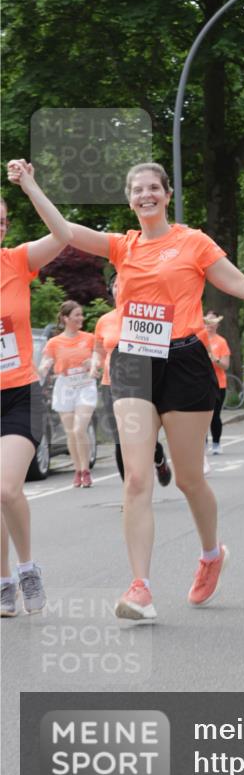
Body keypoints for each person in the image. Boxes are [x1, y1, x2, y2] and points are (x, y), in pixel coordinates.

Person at [8, 159, 244, 622]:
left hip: (185, 362)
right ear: (129, 200)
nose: (146, 195)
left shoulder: (193, 241)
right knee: (138, 478)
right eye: (137, 190)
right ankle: (140, 587)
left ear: (166, 195)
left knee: (188, 479)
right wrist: (30, 185)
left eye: (153, 188)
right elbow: (63, 230)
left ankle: (209, 554)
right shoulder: (122, 246)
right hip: (133, 363)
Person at [2, 161, 72, 617]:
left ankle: (27, 569)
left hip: (19, 393)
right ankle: (3, 580)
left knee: (6, 489)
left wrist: (29, 185)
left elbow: (63, 234)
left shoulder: (16, 260)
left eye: (2, 221)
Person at [91, 274, 172, 486]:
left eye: (124, 283)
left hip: (141, 384)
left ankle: (159, 458)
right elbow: (98, 350)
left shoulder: (145, 317)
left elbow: (160, 349)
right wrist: (94, 365)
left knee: (144, 436)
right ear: (111, 290)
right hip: (110, 384)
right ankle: (130, 493)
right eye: (116, 285)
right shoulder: (104, 321)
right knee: (120, 440)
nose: (120, 288)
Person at [39, 300, 97, 487]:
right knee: (71, 432)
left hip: (85, 385)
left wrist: (93, 365)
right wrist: (40, 370)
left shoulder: (89, 338)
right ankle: (78, 470)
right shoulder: (54, 342)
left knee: (80, 428)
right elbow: (46, 363)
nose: (81, 318)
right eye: (77, 315)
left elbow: (98, 359)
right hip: (65, 387)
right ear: (66, 318)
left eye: (81, 314)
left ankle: (86, 470)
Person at [203, 310, 230, 454]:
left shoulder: (221, 342)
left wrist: (215, 359)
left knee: (215, 415)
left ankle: (216, 443)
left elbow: (226, 365)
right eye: (207, 322)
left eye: (213, 322)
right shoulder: (199, 339)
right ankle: (203, 444)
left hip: (218, 384)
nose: (210, 325)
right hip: (201, 384)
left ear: (217, 324)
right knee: (201, 416)